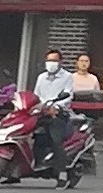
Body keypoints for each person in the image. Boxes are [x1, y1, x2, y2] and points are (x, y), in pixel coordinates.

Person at [30, 47, 76, 177]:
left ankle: (61, 173)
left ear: (61, 62)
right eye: (49, 60)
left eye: (54, 60)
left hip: (58, 114)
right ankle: (17, 172)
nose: (51, 63)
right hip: (42, 112)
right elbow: (36, 95)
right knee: (29, 136)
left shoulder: (67, 77)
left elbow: (68, 97)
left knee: (56, 140)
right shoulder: (41, 77)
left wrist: (55, 107)